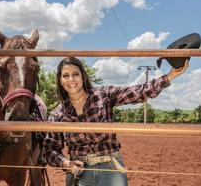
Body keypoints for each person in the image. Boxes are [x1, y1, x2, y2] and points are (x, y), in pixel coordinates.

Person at [43, 57, 189, 186]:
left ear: (83, 76)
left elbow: (137, 92)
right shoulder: (57, 114)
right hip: (79, 172)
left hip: (111, 168)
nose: (71, 79)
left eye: (75, 74)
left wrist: (169, 76)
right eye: (66, 76)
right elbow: (49, 149)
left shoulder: (103, 95)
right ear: (61, 81)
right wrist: (66, 163)